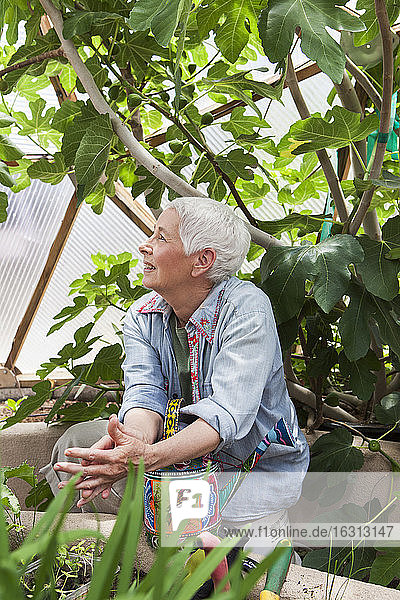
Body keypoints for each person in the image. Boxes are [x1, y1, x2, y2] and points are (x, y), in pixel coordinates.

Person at [42, 197, 309, 547]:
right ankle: (118, 551)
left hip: (246, 471)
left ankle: (234, 542)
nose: (145, 245)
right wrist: (131, 443)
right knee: (78, 447)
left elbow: (223, 419)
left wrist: (145, 457)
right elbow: (144, 394)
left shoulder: (247, 310)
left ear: (202, 261)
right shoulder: (143, 315)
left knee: (233, 576)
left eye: (161, 238)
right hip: (175, 458)